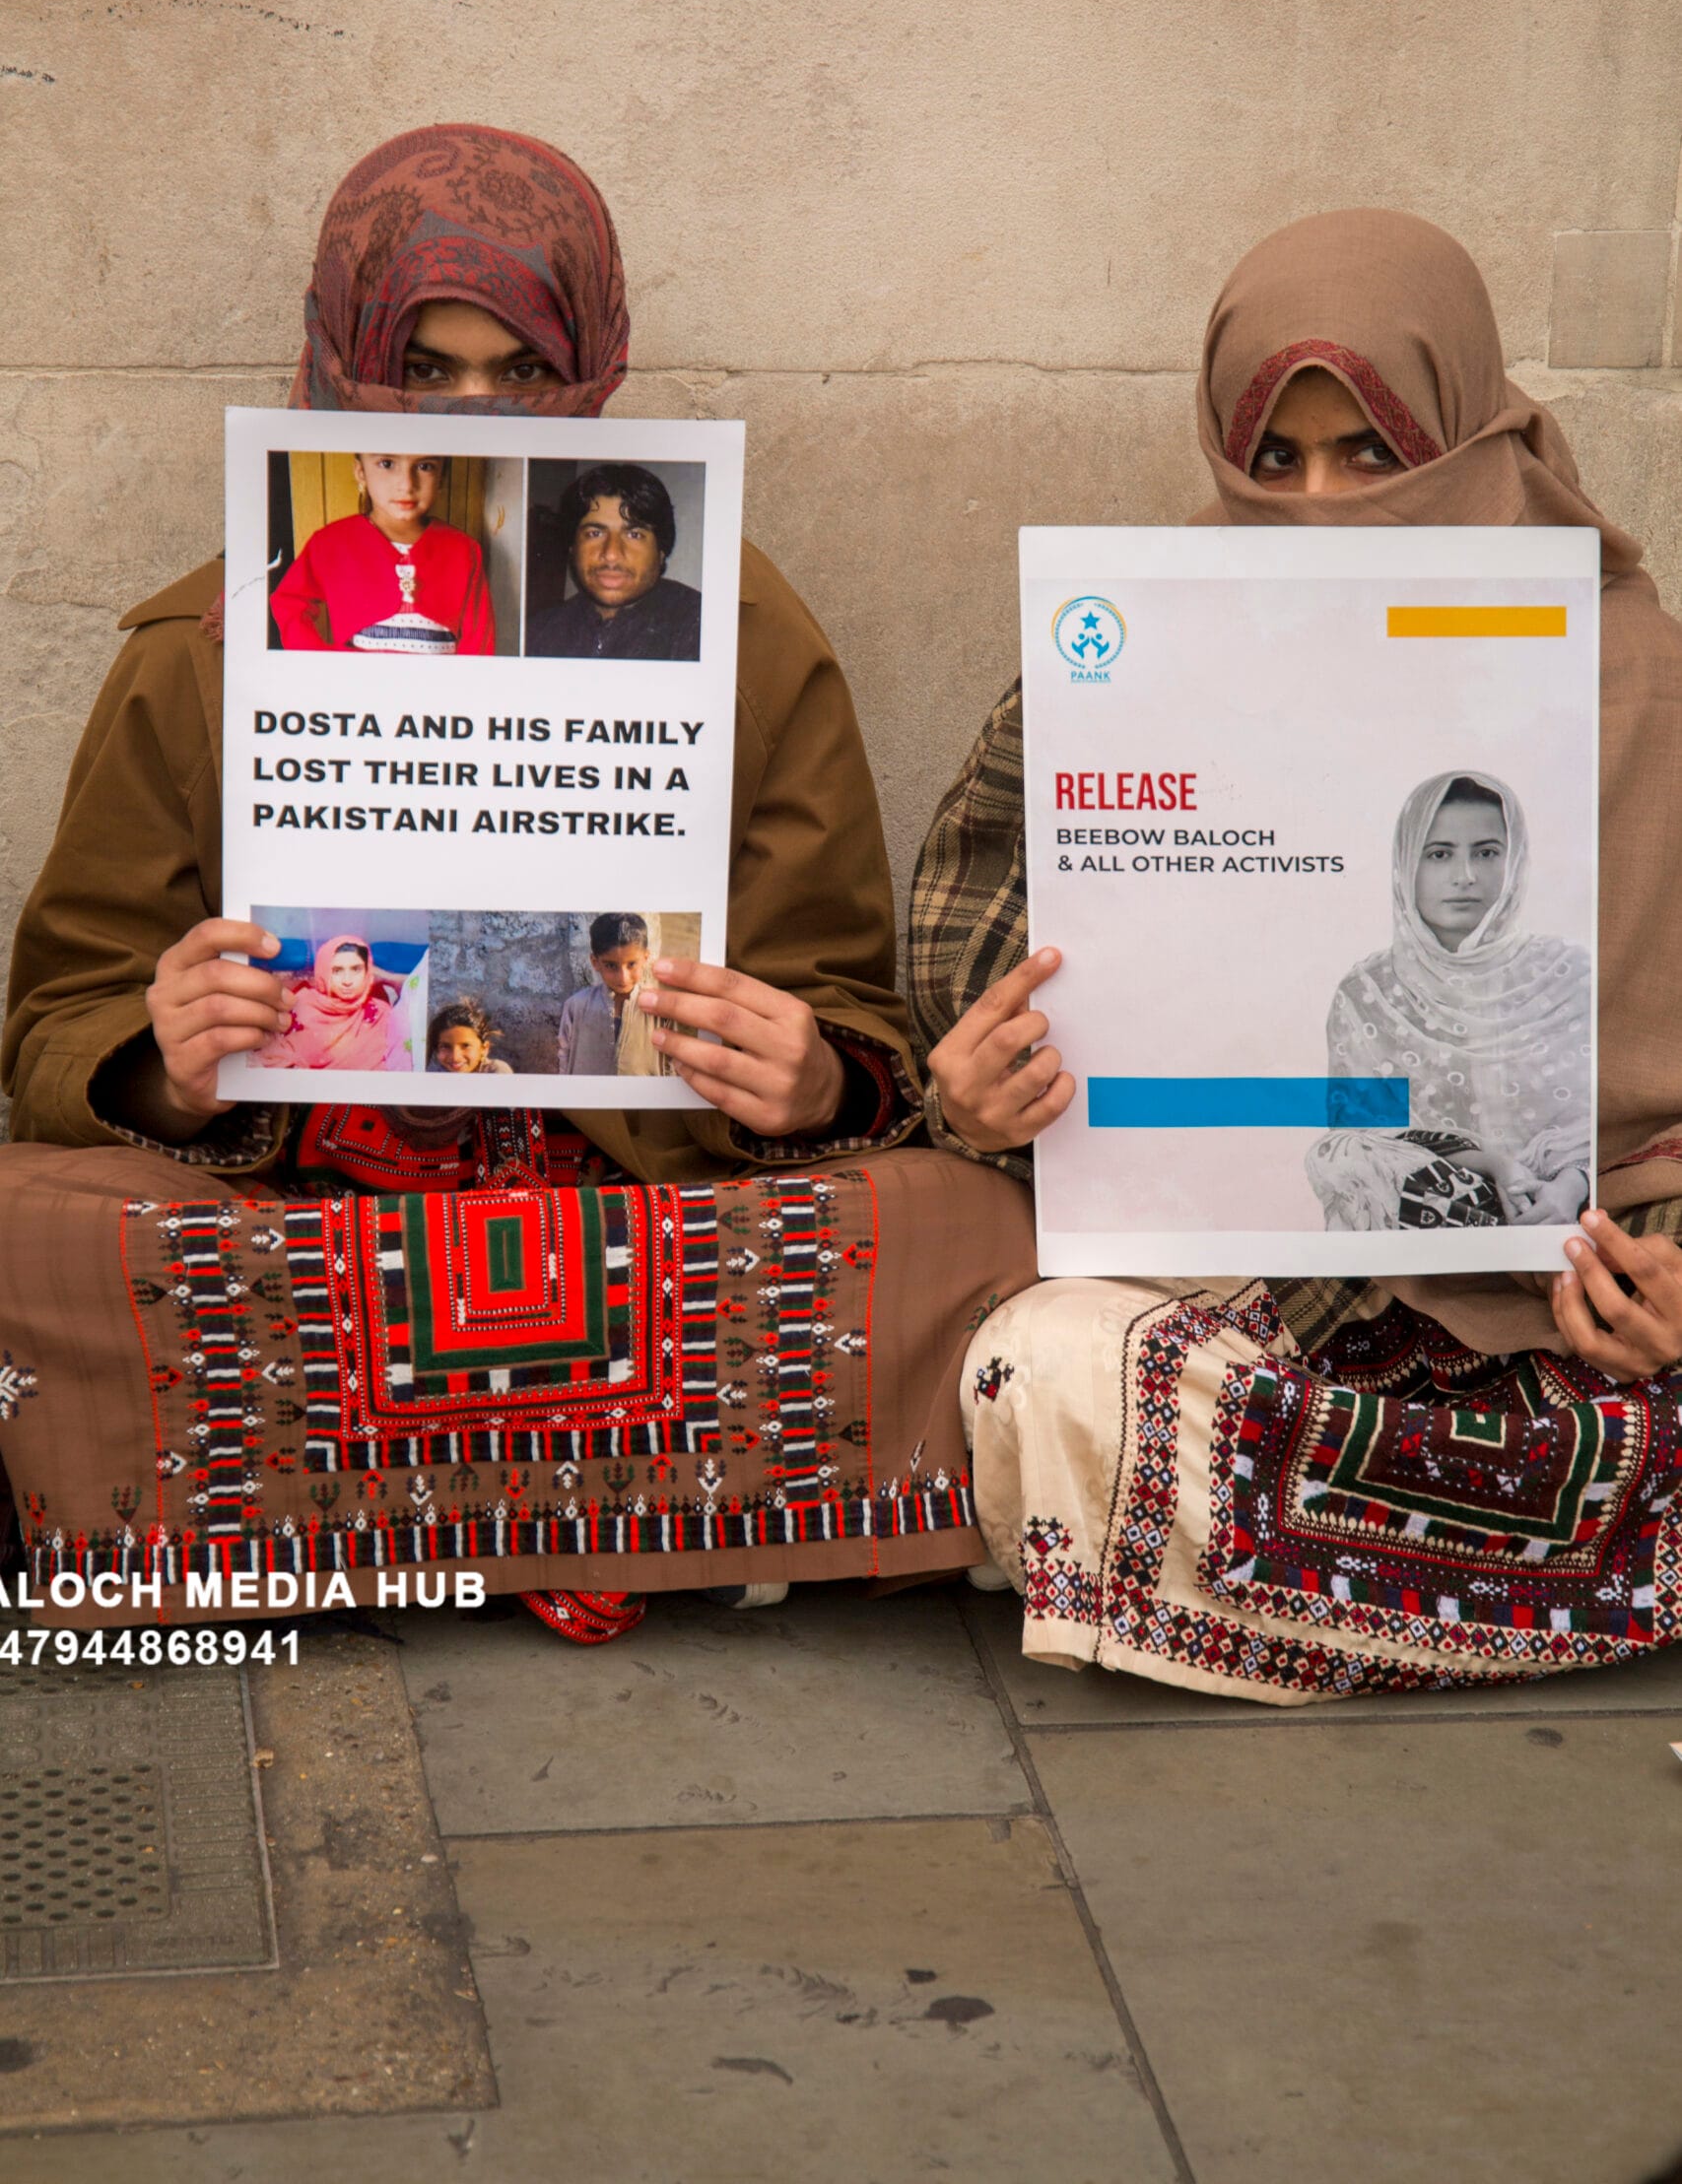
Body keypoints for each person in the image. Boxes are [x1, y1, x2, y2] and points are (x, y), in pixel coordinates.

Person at [0, 122, 1036, 1645]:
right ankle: (691, 1517)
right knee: (28, 1234)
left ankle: (315, 1523)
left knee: (976, 1228)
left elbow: (844, 1003)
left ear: (594, 369)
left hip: (655, 1207)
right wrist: (166, 1067)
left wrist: (810, 1080)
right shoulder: (208, 648)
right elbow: (55, 1024)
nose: (481, 414)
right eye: (427, 373)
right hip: (311, 1207)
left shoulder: (739, 633)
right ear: (348, 365)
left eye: (521, 372)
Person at [910, 207, 1682, 1705]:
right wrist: (985, 1073)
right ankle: (1447, 1598)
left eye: (1369, 455)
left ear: (1463, 434)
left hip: (1563, 1321)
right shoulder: (1142, 648)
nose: (1318, 506)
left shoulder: (1633, 685)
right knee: (1042, 1363)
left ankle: (1292, 1592)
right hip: (1259, 1281)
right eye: (1273, 462)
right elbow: (980, 936)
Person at [1306, 770, 1591, 1233]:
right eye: (1439, 854)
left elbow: (1604, 1124)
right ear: (1406, 867)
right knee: (1340, 1155)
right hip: (1445, 1209)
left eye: (1486, 853)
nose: (1465, 876)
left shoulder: (1569, 973)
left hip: (1568, 1208)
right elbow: (1367, 1136)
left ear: (1514, 862)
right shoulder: (1369, 990)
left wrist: (1571, 1185)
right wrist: (1497, 1165)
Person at [270, 451, 497, 654]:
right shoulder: (332, 542)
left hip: (436, 694)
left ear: (441, 476)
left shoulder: (462, 549)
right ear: (361, 472)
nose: (406, 485)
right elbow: (289, 603)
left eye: (425, 466)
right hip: (357, 693)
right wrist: (321, 664)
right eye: (387, 463)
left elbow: (480, 637)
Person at [525, 464, 702, 661]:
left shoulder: (700, 627)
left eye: (634, 534)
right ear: (572, 547)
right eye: (595, 533)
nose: (611, 554)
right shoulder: (538, 634)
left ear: (661, 551)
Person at [256, 932, 403, 1072]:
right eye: (337, 971)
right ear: (324, 971)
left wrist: (388, 978)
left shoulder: (381, 1014)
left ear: (367, 972)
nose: (347, 981)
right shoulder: (301, 1005)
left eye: (356, 969)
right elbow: (272, 1054)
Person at [555, 914, 653, 1075]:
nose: (623, 977)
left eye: (631, 964)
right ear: (595, 962)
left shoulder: (657, 1010)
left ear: (645, 958)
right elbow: (564, 1056)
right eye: (611, 966)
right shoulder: (576, 1006)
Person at [429, 996, 512, 1076]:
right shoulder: (436, 1074)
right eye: (445, 1046)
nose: (455, 1057)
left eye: (466, 1045)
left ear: (484, 1049)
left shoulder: (496, 1072)